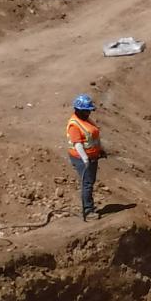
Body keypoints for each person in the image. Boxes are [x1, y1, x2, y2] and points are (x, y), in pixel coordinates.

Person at [66, 93, 103, 221]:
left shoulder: (85, 120)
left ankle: (90, 207)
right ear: (79, 110)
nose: (89, 113)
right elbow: (78, 144)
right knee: (87, 183)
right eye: (86, 111)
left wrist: (100, 150)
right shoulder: (74, 125)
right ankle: (87, 210)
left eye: (89, 111)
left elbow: (93, 137)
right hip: (81, 158)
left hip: (92, 156)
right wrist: (85, 159)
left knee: (90, 182)